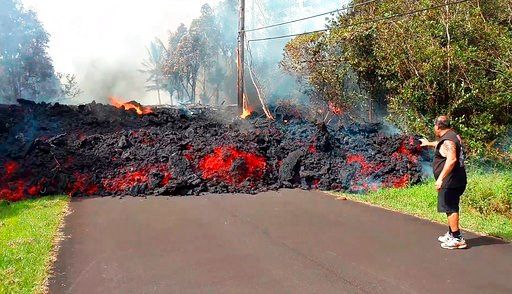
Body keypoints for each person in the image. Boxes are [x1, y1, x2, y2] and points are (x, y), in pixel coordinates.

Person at [420, 116, 468, 249]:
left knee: (450, 207)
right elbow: (442, 145)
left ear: (438, 127)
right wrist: (428, 143)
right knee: (450, 206)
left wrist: (441, 178)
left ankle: (457, 238)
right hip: (456, 179)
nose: (434, 127)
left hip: (450, 181)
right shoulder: (452, 136)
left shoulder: (448, 140)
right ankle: (451, 233)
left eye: (434, 125)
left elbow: (452, 159)